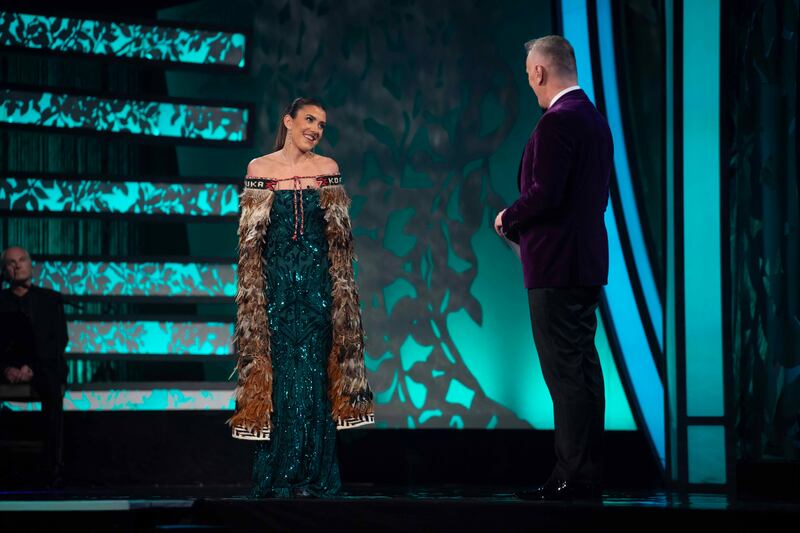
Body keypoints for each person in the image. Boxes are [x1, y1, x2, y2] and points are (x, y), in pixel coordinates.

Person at [229, 97, 374, 498]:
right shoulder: (259, 168)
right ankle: (277, 477)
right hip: (274, 292)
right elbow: (250, 245)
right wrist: (252, 302)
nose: (316, 128)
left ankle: (313, 476)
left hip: (318, 290)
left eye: (322, 124)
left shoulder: (328, 170)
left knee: (313, 378)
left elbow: (340, 244)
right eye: (309, 119)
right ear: (289, 121)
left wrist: (340, 300)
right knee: (280, 380)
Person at [494, 36, 612, 501]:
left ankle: (571, 475)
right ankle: (584, 472)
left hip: (557, 267)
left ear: (540, 72)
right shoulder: (595, 120)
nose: (531, 87)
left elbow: (545, 194)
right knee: (583, 368)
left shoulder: (556, 123)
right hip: (584, 263)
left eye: (529, 77)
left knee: (565, 374)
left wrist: (508, 218)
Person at [0, 246, 69, 484]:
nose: (17, 265)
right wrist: (6, 368)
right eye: (10, 262)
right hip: (5, 368)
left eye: (21, 260)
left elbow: (59, 340)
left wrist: (31, 368)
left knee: (52, 385)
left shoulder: (49, 300)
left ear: (31, 266)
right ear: (4, 271)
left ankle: (52, 466)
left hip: (42, 366)